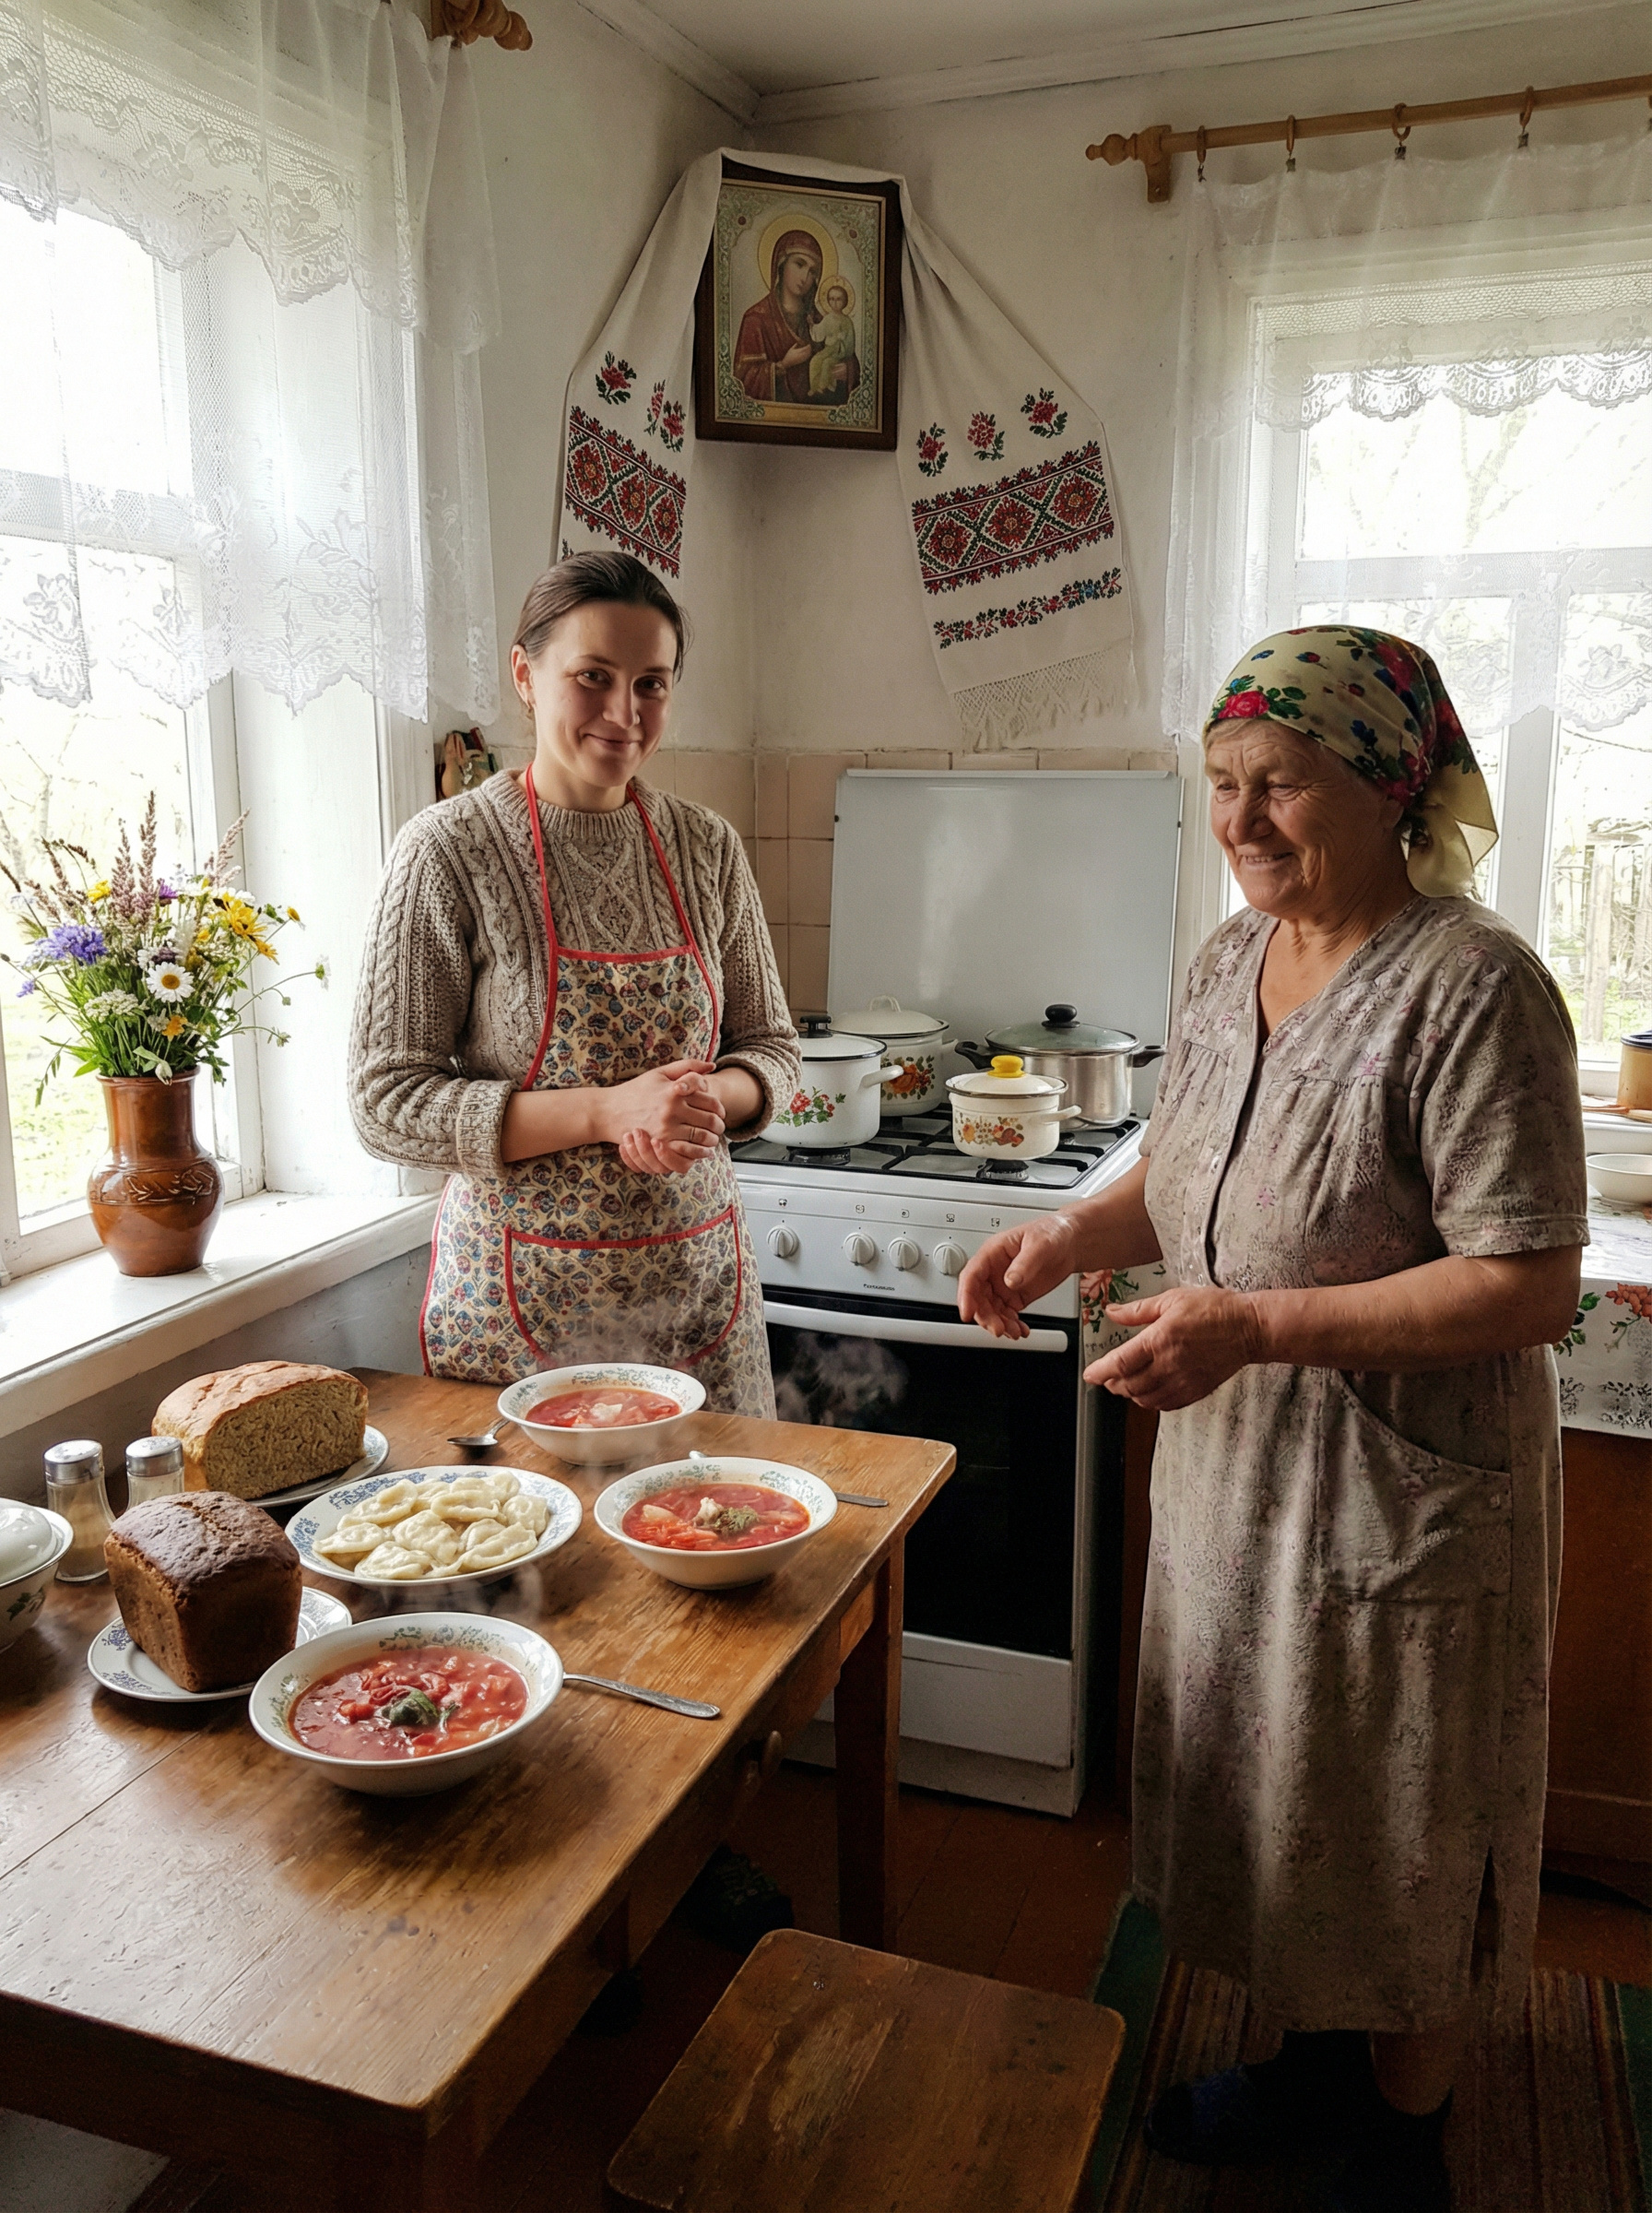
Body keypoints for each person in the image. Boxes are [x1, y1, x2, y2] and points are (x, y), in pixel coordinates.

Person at [958, 625, 1586, 2213]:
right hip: (1237, 1468)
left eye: (1281, 787)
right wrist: (1066, 1237)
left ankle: (1400, 2132)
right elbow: (1185, 1164)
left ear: (1388, 791)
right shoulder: (1230, 957)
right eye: (1225, 782)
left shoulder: (1473, 986)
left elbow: (1523, 1284)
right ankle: (1308, 2060)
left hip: (1399, 1482)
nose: (1240, 821)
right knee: (1270, 1774)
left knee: (1403, 1802)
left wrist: (1260, 1324)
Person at [348, 551, 798, 1414]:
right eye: (592, 677)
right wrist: (607, 1111)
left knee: (726, 1535)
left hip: (701, 1309)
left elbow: (771, 1048)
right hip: (517, 1332)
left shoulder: (707, 848)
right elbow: (384, 1102)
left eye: (652, 685)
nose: (624, 714)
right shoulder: (448, 853)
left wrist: (710, 1099)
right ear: (526, 673)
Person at [734, 230, 856, 407]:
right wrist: (782, 365)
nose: (805, 277)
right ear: (781, 264)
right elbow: (741, 380)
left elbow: (849, 359)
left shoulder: (819, 319)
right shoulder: (756, 319)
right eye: (799, 264)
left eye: (813, 271)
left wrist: (847, 371)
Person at [808, 280, 856, 399]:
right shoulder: (828, 318)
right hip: (828, 349)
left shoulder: (847, 321)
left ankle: (825, 386)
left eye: (838, 299)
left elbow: (850, 343)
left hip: (839, 351)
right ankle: (814, 387)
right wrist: (811, 325)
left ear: (845, 301)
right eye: (831, 299)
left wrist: (842, 342)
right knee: (815, 361)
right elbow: (819, 333)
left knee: (827, 363)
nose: (834, 303)